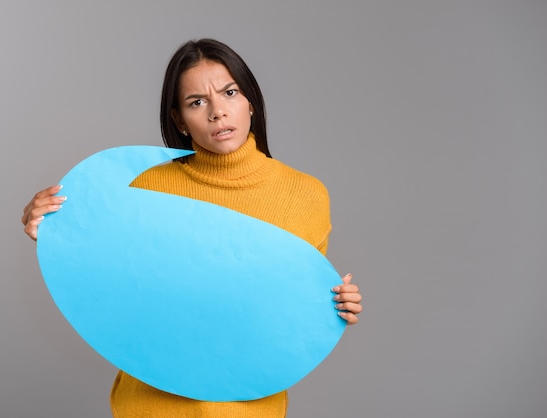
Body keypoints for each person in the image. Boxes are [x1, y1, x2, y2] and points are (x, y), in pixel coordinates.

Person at [22, 38, 362, 417]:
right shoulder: (144, 187)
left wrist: (335, 305)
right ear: (179, 120)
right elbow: (114, 286)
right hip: (150, 405)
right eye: (196, 102)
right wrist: (53, 234)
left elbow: (283, 307)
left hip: (248, 406)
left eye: (229, 93)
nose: (218, 112)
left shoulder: (305, 195)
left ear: (250, 100)